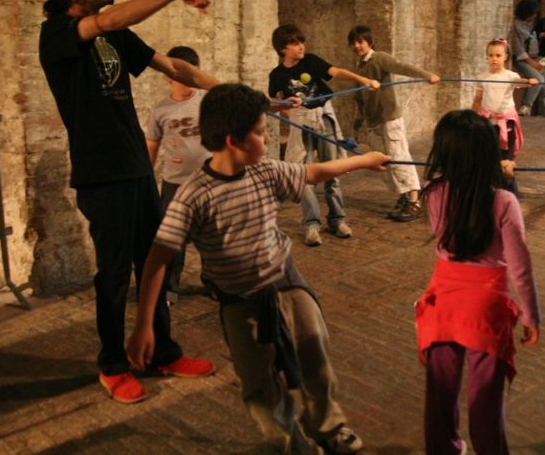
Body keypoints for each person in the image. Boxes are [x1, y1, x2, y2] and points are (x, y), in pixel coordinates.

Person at [127, 84, 388, 453]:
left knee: (315, 356)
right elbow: (157, 260)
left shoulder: (263, 171)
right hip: (240, 302)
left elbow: (313, 173)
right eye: (262, 132)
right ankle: (292, 443)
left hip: (285, 280)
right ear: (234, 140)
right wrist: (144, 326)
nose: (268, 139)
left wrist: (363, 160)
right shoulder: (193, 195)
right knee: (260, 389)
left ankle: (327, 427)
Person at [37, 0, 219, 403]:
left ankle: (162, 352)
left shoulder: (117, 35)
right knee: (115, 273)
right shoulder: (57, 33)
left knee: (154, 263)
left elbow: (173, 66)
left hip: (136, 167)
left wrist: (233, 91)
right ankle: (112, 363)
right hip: (101, 174)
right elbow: (108, 19)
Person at [415, 109, 540, 454]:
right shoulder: (503, 201)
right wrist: (531, 314)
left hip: (442, 300)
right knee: (485, 399)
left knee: (440, 394)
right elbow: (520, 266)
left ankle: (444, 448)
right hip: (486, 306)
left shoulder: (433, 192)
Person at [269, 24, 380, 247]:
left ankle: (338, 220)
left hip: (325, 117)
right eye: (295, 43)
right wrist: (286, 108)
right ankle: (311, 224)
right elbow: (274, 103)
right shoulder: (277, 75)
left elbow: (336, 72)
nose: (301, 46)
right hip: (301, 122)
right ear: (283, 49)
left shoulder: (311, 60)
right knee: (305, 174)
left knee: (333, 170)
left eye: (301, 41)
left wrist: (363, 80)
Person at [347, 24, 440, 222]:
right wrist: (358, 122)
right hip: (374, 123)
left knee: (400, 157)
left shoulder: (379, 58)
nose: (357, 46)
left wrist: (426, 75)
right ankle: (403, 197)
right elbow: (358, 98)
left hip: (389, 119)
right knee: (386, 162)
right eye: (353, 43)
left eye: (360, 41)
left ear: (369, 42)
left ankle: (415, 201)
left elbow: (402, 67)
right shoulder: (359, 68)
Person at [145, 45, 212, 305]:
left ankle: (214, 282)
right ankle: (170, 286)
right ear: (168, 75)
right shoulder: (161, 110)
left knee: (210, 236)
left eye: (190, 73)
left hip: (208, 180)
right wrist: (146, 179)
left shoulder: (207, 101)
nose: (184, 79)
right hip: (174, 183)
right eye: (179, 73)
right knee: (174, 239)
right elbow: (151, 145)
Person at [473, 39, 538, 195]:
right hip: (488, 124)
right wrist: (473, 118)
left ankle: (511, 193)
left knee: (506, 162)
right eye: (491, 55)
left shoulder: (510, 76)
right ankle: (490, 191)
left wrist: (529, 81)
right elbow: (478, 99)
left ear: (505, 57)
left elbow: (520, 82)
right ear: (486, 57)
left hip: (505, 124)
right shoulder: (482, 77)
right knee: (488, 158)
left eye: (498, 55)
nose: (494, 58)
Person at [511, 0, 545, 117]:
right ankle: (526, 106)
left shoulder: (530, 24)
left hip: (536, 56)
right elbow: (518, 49)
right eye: (533, 13)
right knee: (538, 79)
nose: (534, 16)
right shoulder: (516, 26)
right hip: (523, 60)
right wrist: (532, 63)